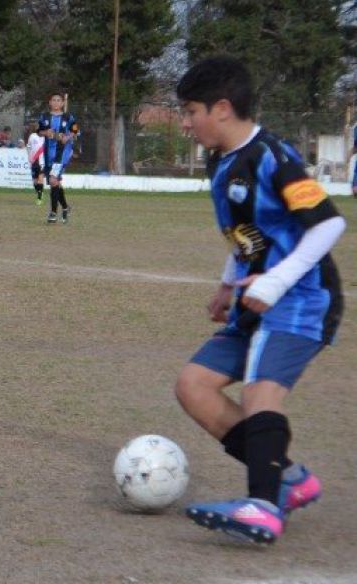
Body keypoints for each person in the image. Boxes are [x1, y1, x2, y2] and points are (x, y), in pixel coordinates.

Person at [174, 56, 346, 545]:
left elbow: (329, 222)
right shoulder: (221, 161)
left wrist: (276, 280)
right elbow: (247, 235)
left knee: (258, 394)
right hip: (254, 299)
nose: (185, 123)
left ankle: (264, 506)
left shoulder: (273, 155)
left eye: (190, 111)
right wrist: (229, 284)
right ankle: (288, 480)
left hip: (302, 298)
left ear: (222, 108)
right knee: (194, 386)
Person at [41, 91, 79, 224]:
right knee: (55, 183)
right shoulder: (44, 116)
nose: (56, 102)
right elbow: (39, 131)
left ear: (63, 103)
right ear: (50, 102)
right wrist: (46, 132)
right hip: (48, 153)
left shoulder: (69, 117)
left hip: (62, 153)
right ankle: (66, 207)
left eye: (59, 100)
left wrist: (67, 137)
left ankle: (53, 213)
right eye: (54, 100)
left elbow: (75, 130)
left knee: (52, 180)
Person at [27, 118, 49, 206]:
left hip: (42, 161)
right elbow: (28, 147)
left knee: (40, 179)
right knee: (35, 182)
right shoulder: (32, 136)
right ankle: (39, 192)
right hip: (33, 161)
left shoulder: (45, 137)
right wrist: (29, 157)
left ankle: (39, 198)